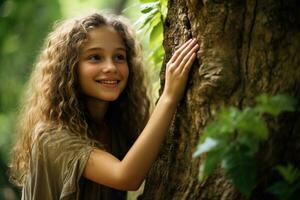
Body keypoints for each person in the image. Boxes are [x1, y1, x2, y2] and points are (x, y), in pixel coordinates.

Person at [9, 11, 199, 199]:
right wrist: (169, 97)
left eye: (119, 57)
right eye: (95, 57)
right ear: (70, 68)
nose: (111, 67)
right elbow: (125, 177)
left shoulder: (118, 125)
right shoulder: (52, 138)